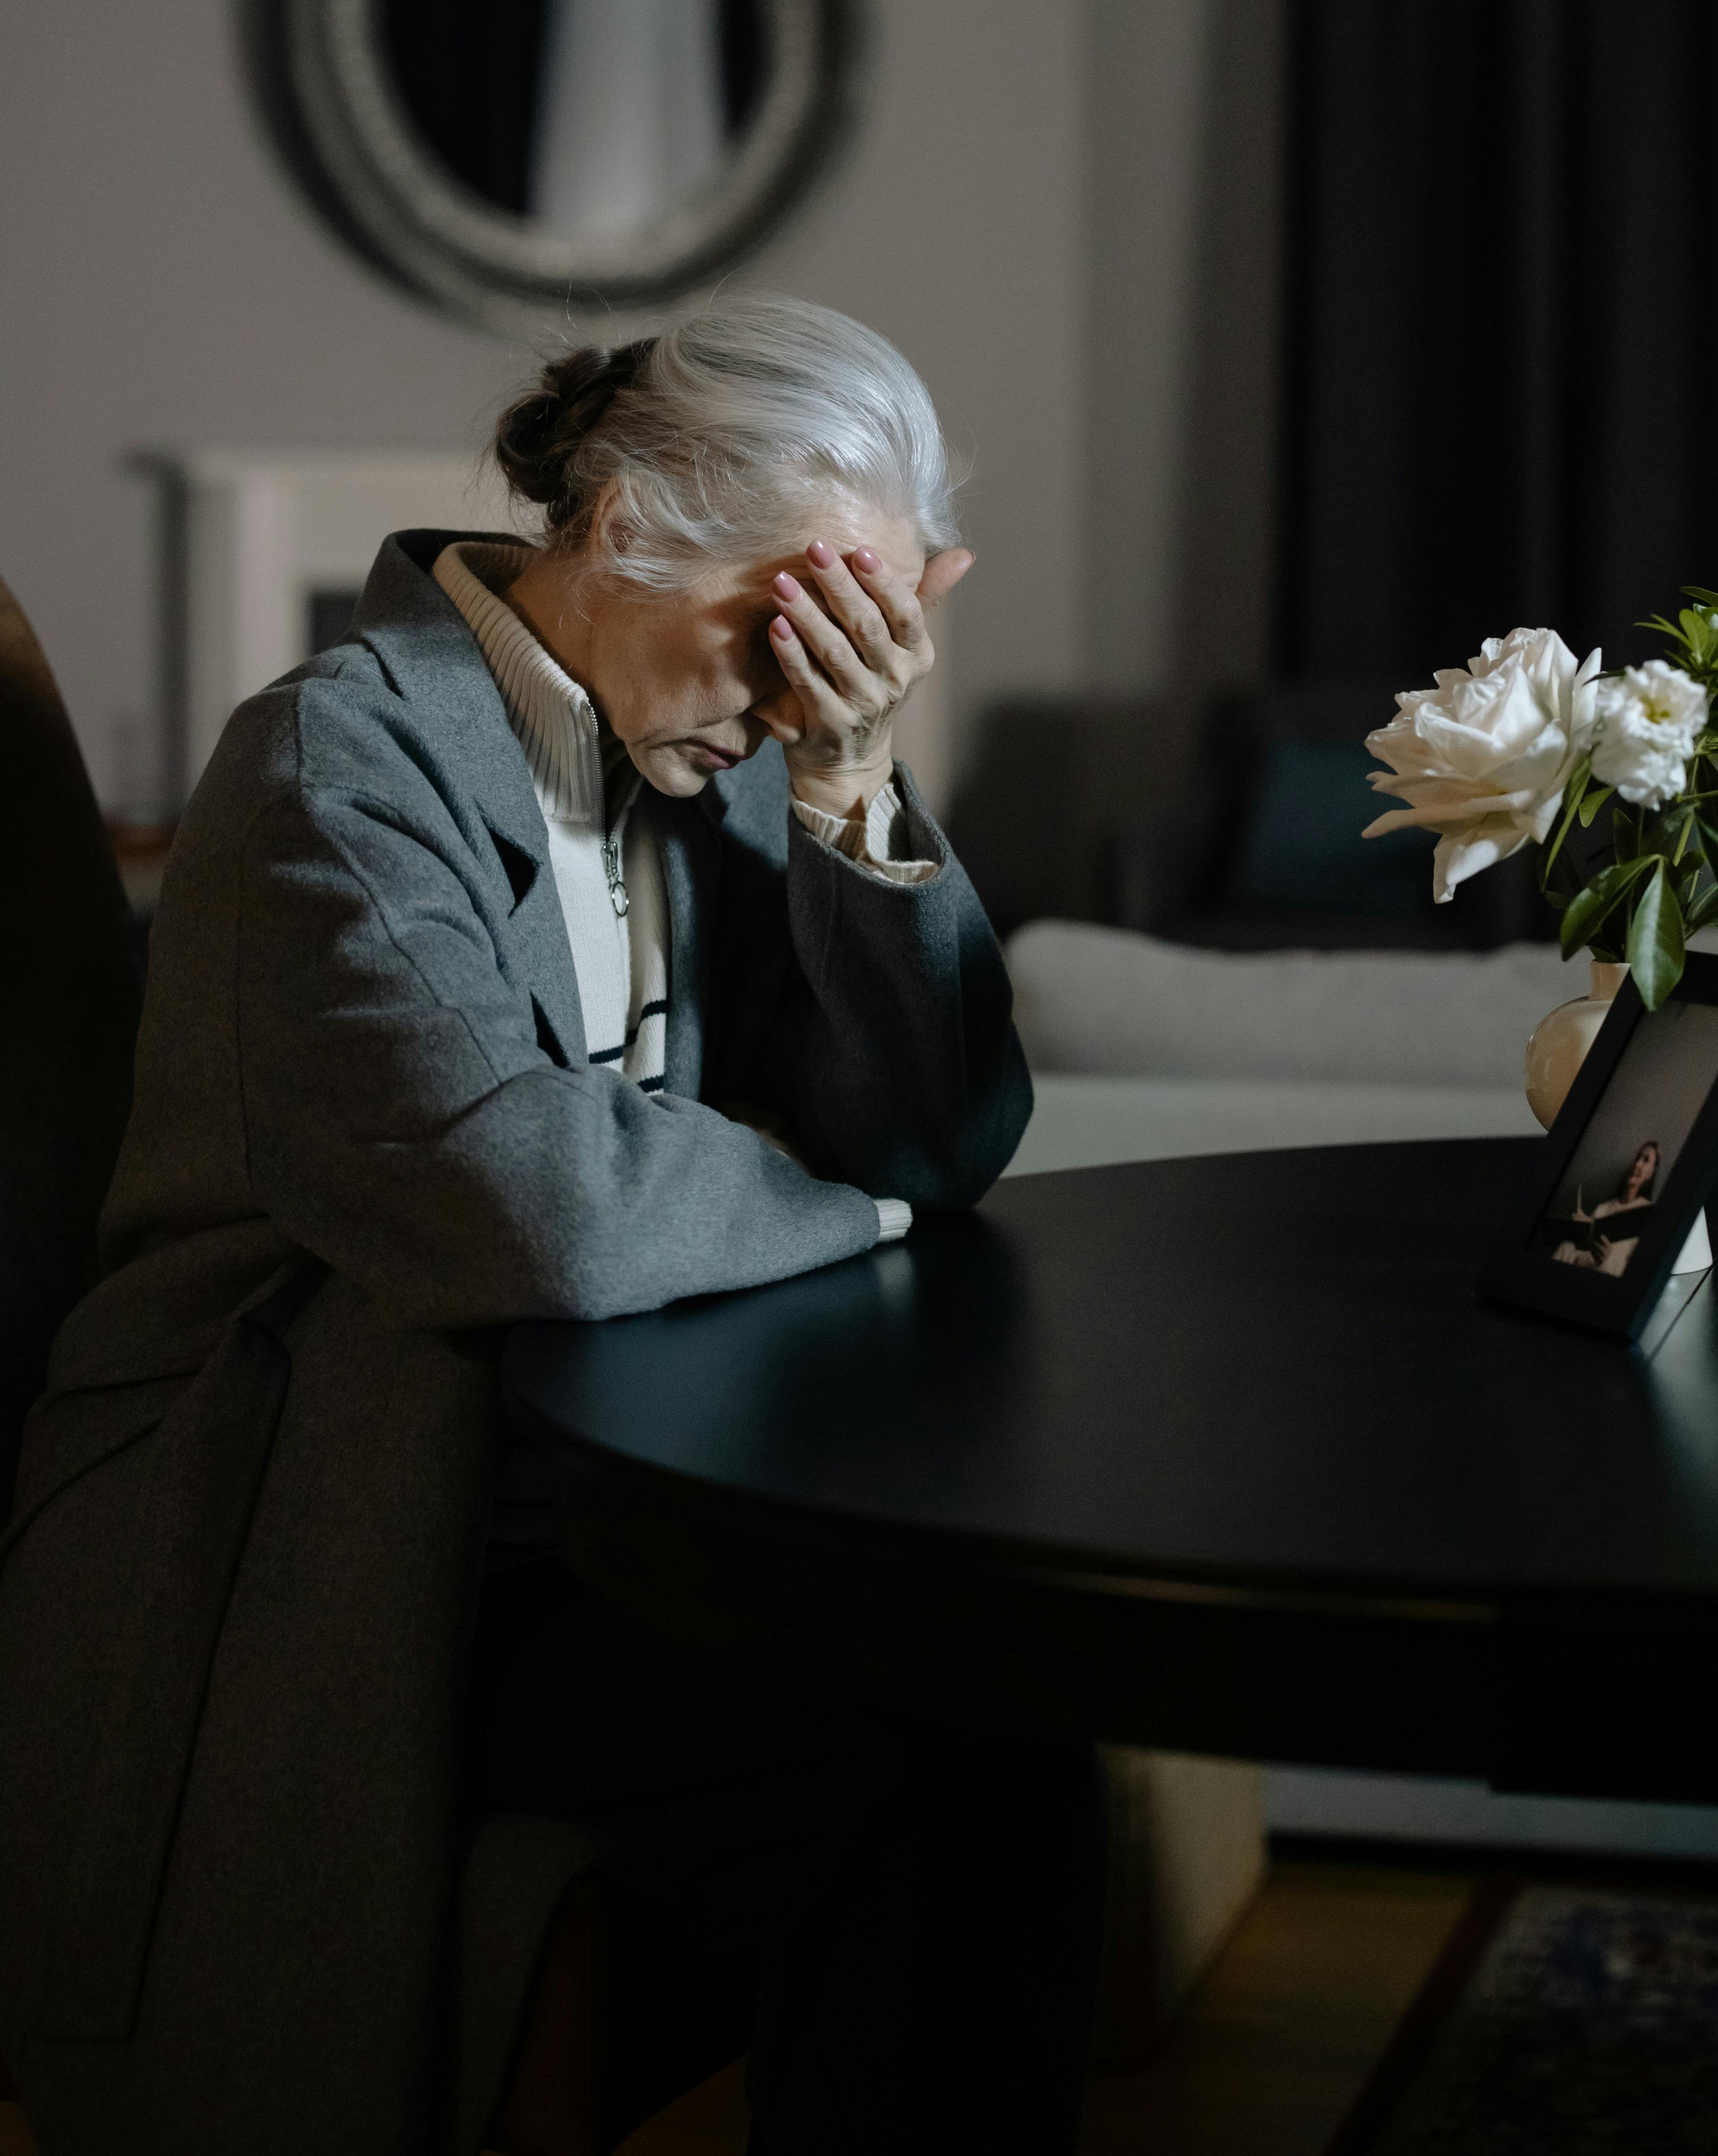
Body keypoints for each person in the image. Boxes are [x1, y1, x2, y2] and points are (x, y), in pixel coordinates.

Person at [0, 300, 1103, 2156]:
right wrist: (856, 1196)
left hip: (575, 1498)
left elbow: (949, 1126)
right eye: (790, 628)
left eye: (859, 649)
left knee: (985, 1722)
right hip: (314, 1527)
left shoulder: (735, 757)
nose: (805, 688)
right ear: (623, 524)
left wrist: (849, 790)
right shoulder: (328, 771)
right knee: (931, 1773)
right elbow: (544, 1214)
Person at [1550, 1139, 1663, 1275]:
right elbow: (1584, 1251)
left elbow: (1640, 1268)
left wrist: (1606, 1260)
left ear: (1650, 1173)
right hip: (1584, 1266)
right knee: (1566, 1246)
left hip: (1610, 1278)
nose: (1638, 1164)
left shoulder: (1647, 1213)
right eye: (1638, 1157)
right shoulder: (1603, 1208)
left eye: (1646, 1160)